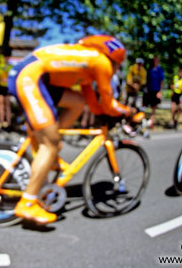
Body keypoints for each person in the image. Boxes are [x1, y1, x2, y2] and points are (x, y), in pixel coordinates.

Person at [8, 35, 135, 225]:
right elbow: (109, 104)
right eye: (119, 65)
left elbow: (92, 104)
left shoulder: (87, 62)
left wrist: (102, 114)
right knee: (50, 145)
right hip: (31, 77)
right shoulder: (101, 63)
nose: (117, 70)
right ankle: (27, 203)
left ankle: (48, 149)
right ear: (115, 60)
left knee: (77, 103)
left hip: (36, 76)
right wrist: (131, 112)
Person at [145, 55, 164, 129]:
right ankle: (145, 120)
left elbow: (162, 81)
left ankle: (151, 122)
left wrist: (160, 91)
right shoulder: (150, 69)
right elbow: (147, 80)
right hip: (150, 90)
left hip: (156, 90)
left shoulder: (160, 69)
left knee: (154, 107)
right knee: (146, 106)